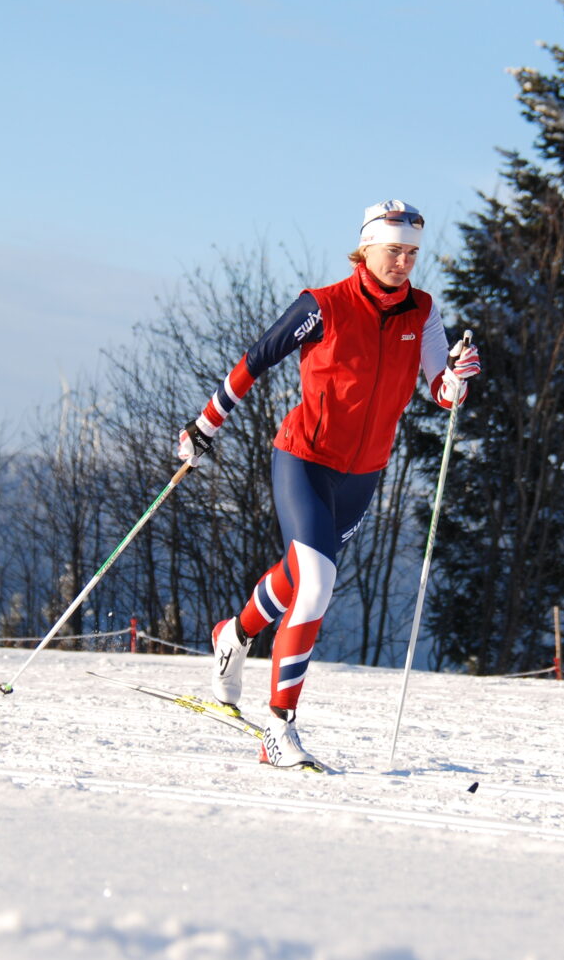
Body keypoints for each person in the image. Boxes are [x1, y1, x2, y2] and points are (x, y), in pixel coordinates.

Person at [175, 199, 481, 768]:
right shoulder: (323, 306)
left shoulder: (424, 312)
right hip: (305, 459)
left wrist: (459, 376)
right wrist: (205, 424)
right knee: (316, 582)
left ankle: (233, 636)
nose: (403, 263)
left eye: (412, 254)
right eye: (394, 251)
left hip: (363, 475)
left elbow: (443, 392)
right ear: (366, 248)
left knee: (297, 577)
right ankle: (279, 728)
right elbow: (255, 360)